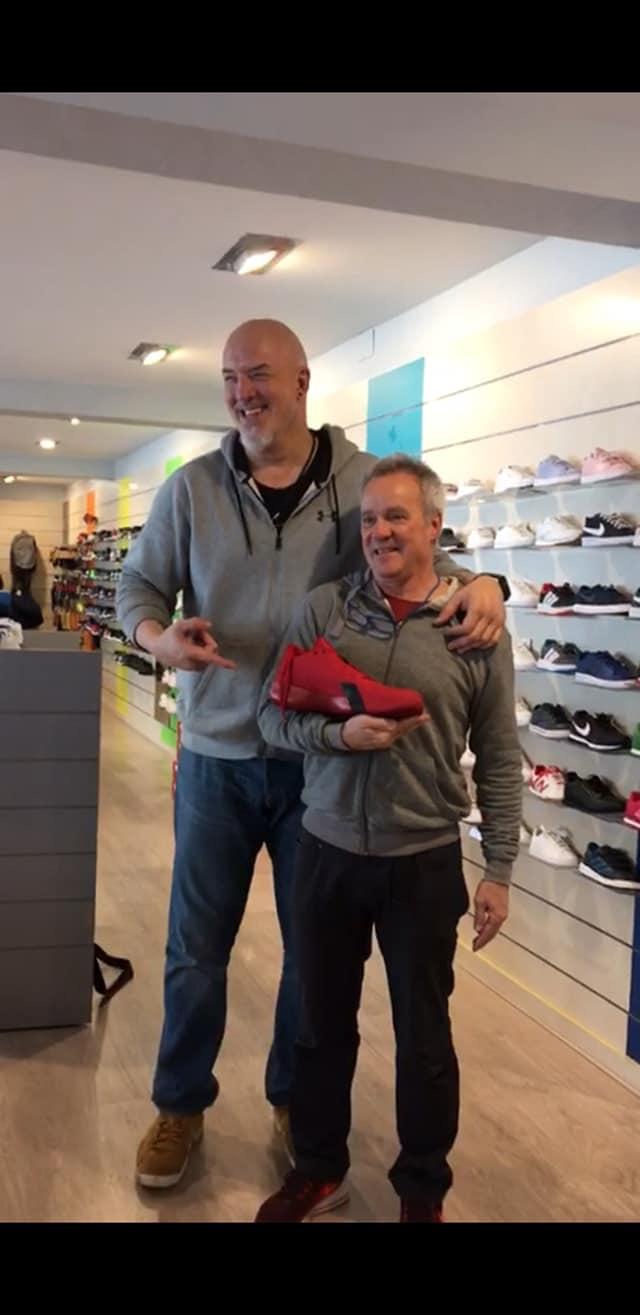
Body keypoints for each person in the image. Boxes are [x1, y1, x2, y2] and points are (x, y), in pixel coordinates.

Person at [116, 319, 507, 1191]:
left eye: (258, 374)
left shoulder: (363, 479)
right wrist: (155, 637)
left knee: (312, 955)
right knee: (196, 944)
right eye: (229, 377)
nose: (242, 392)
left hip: (322, 766)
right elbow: (136, 584)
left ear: (301, 381)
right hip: (217, 753)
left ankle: (298, 1100)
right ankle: (180, 1102)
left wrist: (489, 584)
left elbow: (426, 553)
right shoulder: (192, 488)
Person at [254, 454, 521, 1223]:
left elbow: (500, 753)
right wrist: (339, 736)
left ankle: (422, 1191)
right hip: (325, 850)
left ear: (435, 525)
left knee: (425, 1037)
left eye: (396, 516)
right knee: (318, 1025)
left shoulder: (474, 625)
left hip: (423, 860)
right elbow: (272, 717)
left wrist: (499, 867)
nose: (379, 532)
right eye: (369, 519)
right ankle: (317, 1168)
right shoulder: (326, 610)